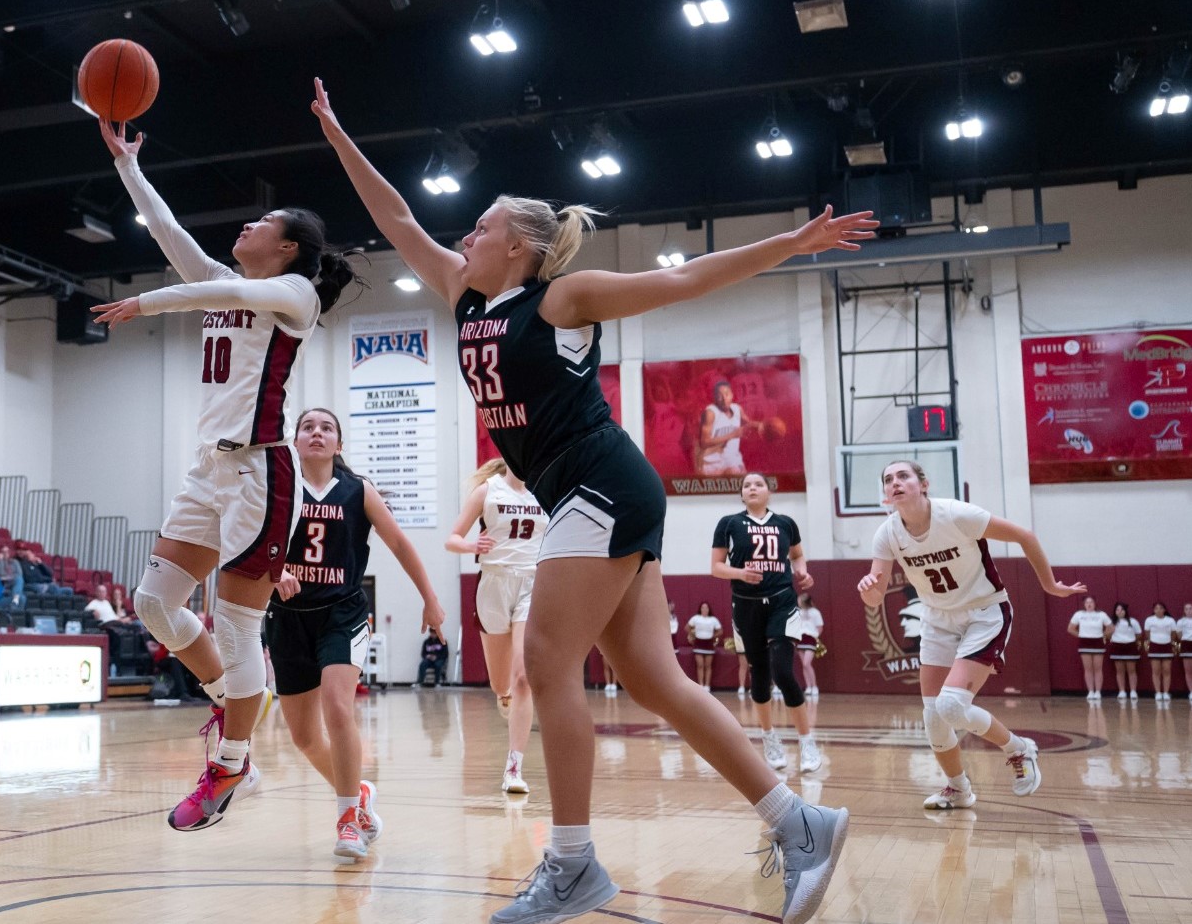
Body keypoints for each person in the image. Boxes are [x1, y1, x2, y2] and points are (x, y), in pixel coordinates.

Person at [312, 76, 863, 924]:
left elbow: (684, 282)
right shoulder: (466, 294)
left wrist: (790, 241)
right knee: (656, 682)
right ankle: (802, 823)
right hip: (589, 492)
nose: (467, 233)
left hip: (599, 480)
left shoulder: (560, 299)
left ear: (522, 247)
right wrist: (339, 133)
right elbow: (396, 221)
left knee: (545, 659)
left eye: (483, 224)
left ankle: (571, 863)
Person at [89, 117, 362, 835]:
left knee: (238, 630)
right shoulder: (224, 283)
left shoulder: (296, 295)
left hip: (262, 475)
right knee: (153, 604)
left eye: (263, 221)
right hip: (207, 468)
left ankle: (232, 760)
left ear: (291, 247)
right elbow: (164, 228)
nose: (248, 224)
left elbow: (225, 294)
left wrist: (145, 303)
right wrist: (127, 165)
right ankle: (228, 699)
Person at [268, 407, 445, 863]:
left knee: (337, 708)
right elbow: (250, 544)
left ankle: (348, 819)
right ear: (296, 439)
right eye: (308, 427)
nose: (317, 433)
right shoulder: (278, 488)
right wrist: (275, 570)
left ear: (339, 444)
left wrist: (430, 599)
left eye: (327, 428)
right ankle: (359, 792)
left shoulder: (357, 490)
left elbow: (402, 544)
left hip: (342, 615)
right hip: (288, 618)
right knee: (305, 737)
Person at [857, 460, 1084, 811]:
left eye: (903, 476)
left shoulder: (956, 514)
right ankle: (958, 788)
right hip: (936, 619)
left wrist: (1050, 585)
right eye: (888, 479)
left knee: (951, 705)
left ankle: (1017, 748)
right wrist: (868, 590)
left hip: (985, 612)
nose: (895, 482)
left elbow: (1026, 535)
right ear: (886, 495)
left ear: (924, 483)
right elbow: (875, 595)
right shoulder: (886, 534)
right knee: (933, 717)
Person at [445, 457, 545, 794]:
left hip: (533, 583)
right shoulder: (488, 491)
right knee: (501, 682)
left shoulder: (546, 491)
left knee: (524, 677)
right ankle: (504, 695)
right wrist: (472, 545)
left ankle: (514, 768)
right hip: (494, 584)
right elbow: (452, 539)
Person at [712, 473, 821, 774]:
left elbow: (797, 556)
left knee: (784, 672)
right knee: (759, 675)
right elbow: (716, 567)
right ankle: (769, 737)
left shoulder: (785, 523)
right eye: (747, 485)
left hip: (781, 601)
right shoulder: (729, 524)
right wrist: (739, 573)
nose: (752, 488)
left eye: (758, 484)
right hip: (746, 606)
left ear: (769, 491)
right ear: (742, 494)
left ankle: (807, 741)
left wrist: (803, 572)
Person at [694, 380, 750, 477]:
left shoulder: (737, 409)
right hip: (712, 464)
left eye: (727, 394)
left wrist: (762, 426)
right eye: (720, 396)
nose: (724, 398)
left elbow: (748, 424)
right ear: (715, 398)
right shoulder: (710, 413)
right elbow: (704, 442)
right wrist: (733, 435)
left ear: (732, 395)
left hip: (732, 461)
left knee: (743, 486)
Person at [1067, 596, 1114, 702]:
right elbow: (1070, 628)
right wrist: (1081, 635)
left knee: (1098, 668)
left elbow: (1111, 628)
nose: (1089, 604)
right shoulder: (1079, 614)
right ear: (1084, 604)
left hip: (1097, 643)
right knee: (1088, 668)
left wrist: (1102, 634)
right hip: (1085, 643)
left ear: (1095, 603)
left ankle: (1098, 692)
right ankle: (1090, 691)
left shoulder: (1101, 614)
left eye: (1091, 602)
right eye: (1087, 602)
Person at [787, 594, 824, 702]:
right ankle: (808, 687)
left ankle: (814, 686)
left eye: (799, 600)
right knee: (804, 665)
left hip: (810, 638)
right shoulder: (797, 612)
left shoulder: (815, 612)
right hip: (800, 638)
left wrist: (815, 636)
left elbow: (820, 627)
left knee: (806, 663)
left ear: (804, 601)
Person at [1108, 602, 1142, 703]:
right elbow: (1107, 634)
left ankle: (1133, 691)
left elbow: (1139, 634)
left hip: (1130, 646)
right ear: (1115, 611)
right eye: (1117, 610)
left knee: (1131, 670)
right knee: (1120, 671)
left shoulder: (1133, 621)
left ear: (1125, 611)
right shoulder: (1111, 623)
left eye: (1122, 610)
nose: (1120, 612)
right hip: (1117, 647)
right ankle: (1122, 691)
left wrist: (1129, 640)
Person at [1144, 601, 1178, 702]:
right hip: (1154, 646)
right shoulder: (1149, 620)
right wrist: (1154, 640)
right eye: (1156, 608)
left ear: (1164, 610)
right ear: (1153, 610)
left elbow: (1173, 633)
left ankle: (1166, 692)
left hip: (1167, 646)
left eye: (1161, 608)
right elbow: (1147, 633)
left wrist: (1167, 641)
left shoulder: (1170, 620)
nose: (1158, 610)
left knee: (1167, 670)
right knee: (1156, 671)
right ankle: (1158, 692)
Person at [686, 602, 723, 687]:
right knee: (700, 665)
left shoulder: (713, 619)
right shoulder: (696, 618)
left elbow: (720, 631)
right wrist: (693, 635)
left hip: (709, 644)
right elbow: (687, 627)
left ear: (709, 609)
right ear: (700, 609)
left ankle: (707, 685)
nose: (705, 609)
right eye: (703, 607)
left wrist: (712, 636)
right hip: (698, 644)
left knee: (708, 666)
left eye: (706, 608)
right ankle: (701, 685)